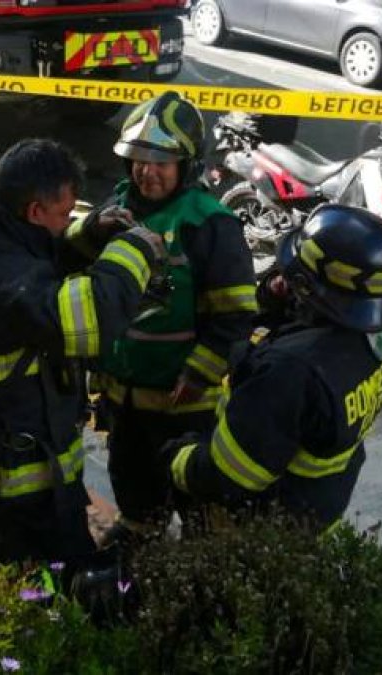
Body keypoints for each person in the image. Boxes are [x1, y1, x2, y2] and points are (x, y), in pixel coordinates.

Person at [0, 138, 166, 567]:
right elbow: (89, 317)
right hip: (26, 473)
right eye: (63, 215)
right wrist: (135, 250)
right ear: (34, 211)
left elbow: (40, 260)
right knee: (60, 568)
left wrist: (90, 232)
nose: (65, 223)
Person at [77, 92, 257, 544]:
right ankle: (139, 532)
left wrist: (200, 371)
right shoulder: (118, 204)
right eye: (138, 158)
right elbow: (71, 255)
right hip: (123, 397)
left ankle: (200, 556)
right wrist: (91, 229)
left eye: (161, 160)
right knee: (131, 476)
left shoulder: (210, 224)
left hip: (183, 405)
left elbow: (235, 316)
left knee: (195, 496)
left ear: (187, 164)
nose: (146, 171)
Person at [163, 204, 382, 531]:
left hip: (260, 526)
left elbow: (230, 477)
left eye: (295, 278)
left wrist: (178, 459)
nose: (283, 279)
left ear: (309, 288)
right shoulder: (379, 337)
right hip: (319, 505)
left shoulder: (289, 371)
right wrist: (278, 305)